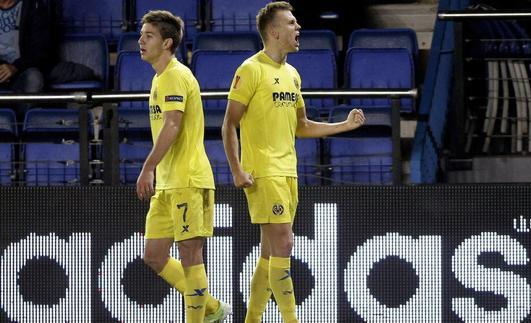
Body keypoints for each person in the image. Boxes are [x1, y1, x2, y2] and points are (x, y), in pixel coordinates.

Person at [221, 2, 365, 322]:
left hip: (288, 171)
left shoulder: (292, 75)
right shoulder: (250, 70)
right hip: (263, 172)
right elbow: (229, 123)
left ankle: (252, 318)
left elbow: (302, 126)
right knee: (285, 243)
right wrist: (236, 168)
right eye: (291, 23)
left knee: (270, 253)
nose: (298, 28)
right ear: (273, 31)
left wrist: (344, 125)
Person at [136, 10, 231, 323]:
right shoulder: (160, 77)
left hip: (188, 179)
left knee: (190, 255)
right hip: (167, 183)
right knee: (153, 256)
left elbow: (173, 125)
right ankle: (213, 308)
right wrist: (155, 172)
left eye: (148, 35)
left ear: (166, 43)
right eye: (141, 34)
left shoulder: (176, 74)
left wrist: (147, 166)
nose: (140, 40)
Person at [0, 0, 56, 119]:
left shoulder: (34, 6)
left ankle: (22, 129)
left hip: (23, 69)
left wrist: (15, 67)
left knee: (34, 78)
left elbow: (41, 50)